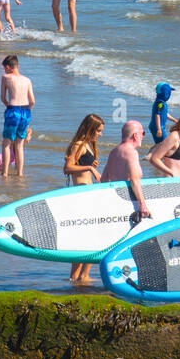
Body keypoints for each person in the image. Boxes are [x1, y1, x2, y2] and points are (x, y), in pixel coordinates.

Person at [62, 113, 105, 284]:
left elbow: (79, 167)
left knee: (94, 236)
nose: (100, 134)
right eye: (98, 130)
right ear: (91, 129)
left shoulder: (89, 144)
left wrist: (89, 166)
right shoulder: (79, 144)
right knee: (85, 237)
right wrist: (90, 167)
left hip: (89, 192)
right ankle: (75, 276)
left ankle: (83, 275)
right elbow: (67, 168)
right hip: (80, 192)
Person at [101, 121, 151, 221]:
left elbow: (104, 179)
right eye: (143, 133)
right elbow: (134, 179)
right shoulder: (131, 152)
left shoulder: (114, 151)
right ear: (135, 135)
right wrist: (142, 204)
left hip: (116, 200)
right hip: (129, 201)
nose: (143, 136)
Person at [0, 54, 34, 176]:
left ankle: (4, 173)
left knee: (7, 143)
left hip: (13, 110)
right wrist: (27, 111)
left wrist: (9, 106)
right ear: (18, 66)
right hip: (26, 111)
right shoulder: (27, 80)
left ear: (8, 67)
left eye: (5, 68)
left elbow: (3, 97)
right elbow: (32, 101)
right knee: (19, 145)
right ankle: (19, 173)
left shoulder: (6, 77)